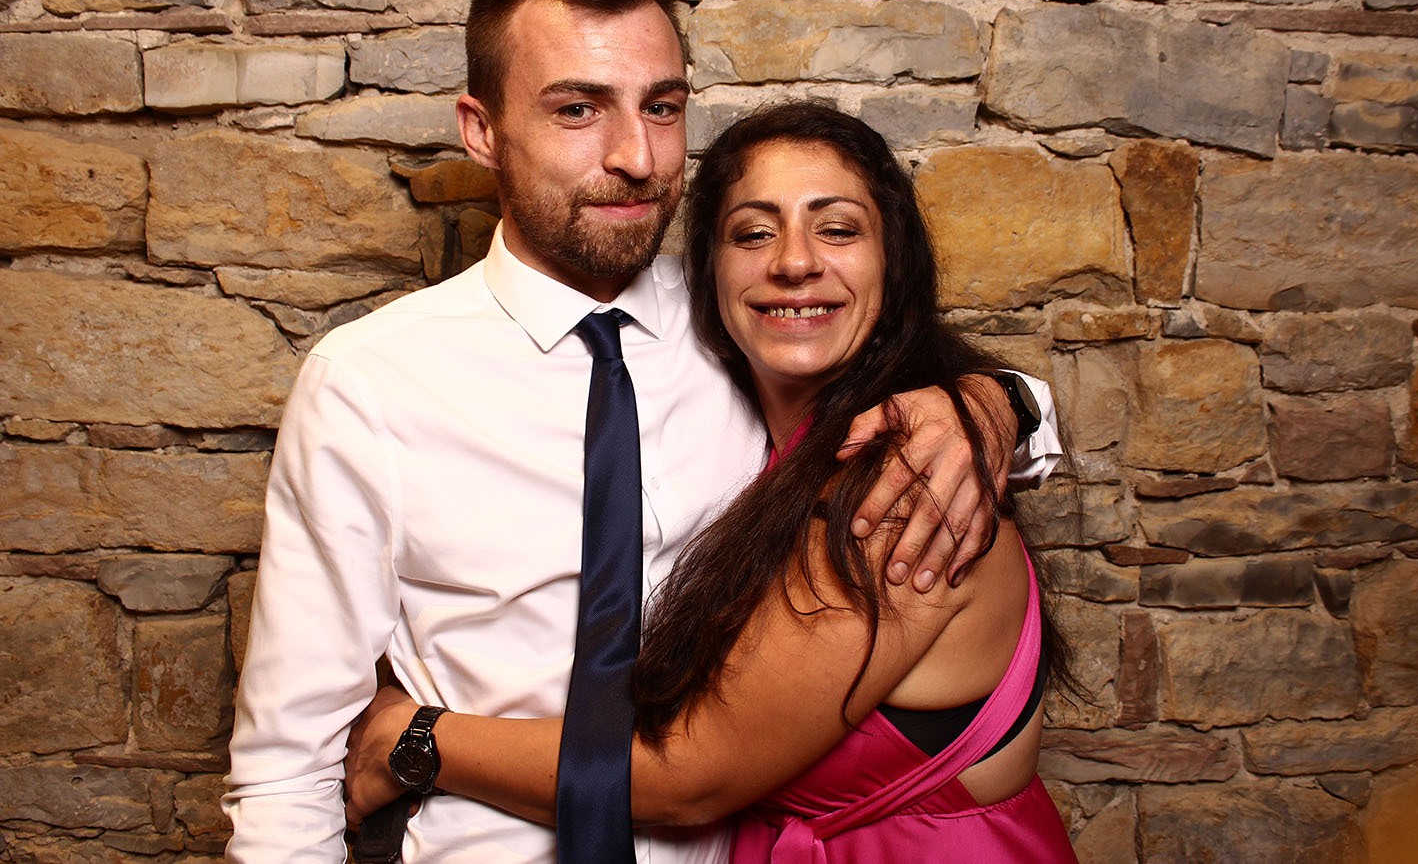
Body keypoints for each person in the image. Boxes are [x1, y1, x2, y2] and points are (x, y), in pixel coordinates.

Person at [223, 0, 1058, 863]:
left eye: (661, 107)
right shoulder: (369, 382)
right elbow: (287, 767)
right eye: (578, 109)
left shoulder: (743, 323)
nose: (636, 156)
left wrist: (997, 406)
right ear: (481, 129)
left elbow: (882, 364)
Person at [341, 102, 1078, 862]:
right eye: (753, 233)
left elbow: (688, 776)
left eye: (837, 229)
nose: (794, 262)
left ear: (894, 262)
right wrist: (1002, 397)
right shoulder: (774, 445)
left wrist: (415, 738)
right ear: (708, 274)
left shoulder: (903, 490)